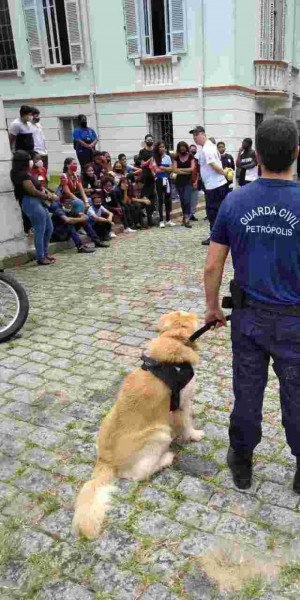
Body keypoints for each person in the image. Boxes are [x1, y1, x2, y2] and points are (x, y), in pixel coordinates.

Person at [204, 115, 300, 493]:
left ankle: (241, 461)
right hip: (295, 322)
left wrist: (212, 307)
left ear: (256, 155)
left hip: (248, 319)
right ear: (296, 153)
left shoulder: (235, 201)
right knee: (297, 395)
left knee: (247, 391)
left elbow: (213, 264)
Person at [10, 150, 55, 265]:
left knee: (49, 228)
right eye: (30, 159)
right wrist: (47, 196)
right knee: (40, 230)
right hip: (31, 202)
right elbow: (33, 191)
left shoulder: (27, 173)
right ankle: (40, 256)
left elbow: (39, 187)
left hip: (38, 202)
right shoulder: (22, 175)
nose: (33, 161)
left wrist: (48, 193)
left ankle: (45, 253)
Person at [190, 125, 228, 245]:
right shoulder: (207, 147)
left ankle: (215, 237)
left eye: (196, 135)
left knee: (213, 213)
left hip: (215, 186)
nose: (195, 138)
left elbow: (214, 165)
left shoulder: (207, 148)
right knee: (217, 212)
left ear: (203, 134)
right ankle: (220, 235)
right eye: (193, 136)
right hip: (214, 185)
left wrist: (224, 173)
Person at [152, 141, 175, 228]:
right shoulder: (155, 158)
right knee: (160, 199)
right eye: (160, 147)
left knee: (168, 199)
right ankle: (161, 220)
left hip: (167, 179)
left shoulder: (168, 157)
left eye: (163, 147)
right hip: (159, 180)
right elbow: (156, 170)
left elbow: (171, 168)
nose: (162, 148)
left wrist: (163, 168)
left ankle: (168, 219)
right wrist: (165, 169)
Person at [173, 141, 196, 228]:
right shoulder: (176, 157)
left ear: (186, 147)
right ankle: (184, 217)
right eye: (180, 147)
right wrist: (185, 171)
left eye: (184, 147)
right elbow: (174, 170)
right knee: (182, 200)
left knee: (187, 199)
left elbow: (192, 168)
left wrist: (181, 170)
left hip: (188, 181)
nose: (182, 148)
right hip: (179, 182)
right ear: (178, 148)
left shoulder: (191, 156)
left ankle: (187, 218)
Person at [138, 134, 156, 226]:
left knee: (153, 197)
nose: (149, 141)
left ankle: (150, 218)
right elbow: (142, 164)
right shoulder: (142, 152)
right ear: (145, 141)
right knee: (145, 196)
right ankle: (141, 218)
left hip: (154, 177)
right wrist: (150, 160)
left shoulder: (155, 151)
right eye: (148, 140)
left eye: (151, 139)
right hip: (145, 177)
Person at [189, 144, 200, 221]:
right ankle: (187, 215)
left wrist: (196, 181)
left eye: (195, 149)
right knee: (187, 200)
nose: (193, 151)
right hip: (187, 183)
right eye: (192, 149)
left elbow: (198, 172)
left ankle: (192, 214)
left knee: (194, 200)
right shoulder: (186, 159)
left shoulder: (196, 160)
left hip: (195, 182)